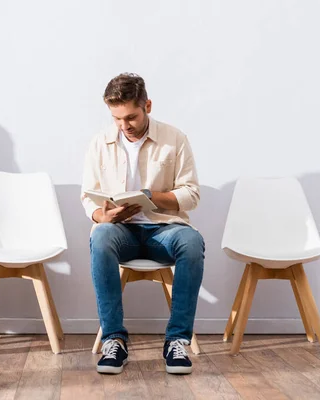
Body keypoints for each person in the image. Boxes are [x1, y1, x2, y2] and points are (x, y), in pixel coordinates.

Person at [81, 73, 204, 375]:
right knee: (100, 237)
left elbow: (191, 194)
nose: (125, 126)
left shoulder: (175, 139)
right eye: (117, 118)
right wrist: (103, 216)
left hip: (165, 229)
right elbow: (87, 198)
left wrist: (153, 197)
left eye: (131, 117)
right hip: (121, 231)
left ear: (147, 105)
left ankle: (176, 341)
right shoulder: (100, 142)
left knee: (192, 243)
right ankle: (114, 340)